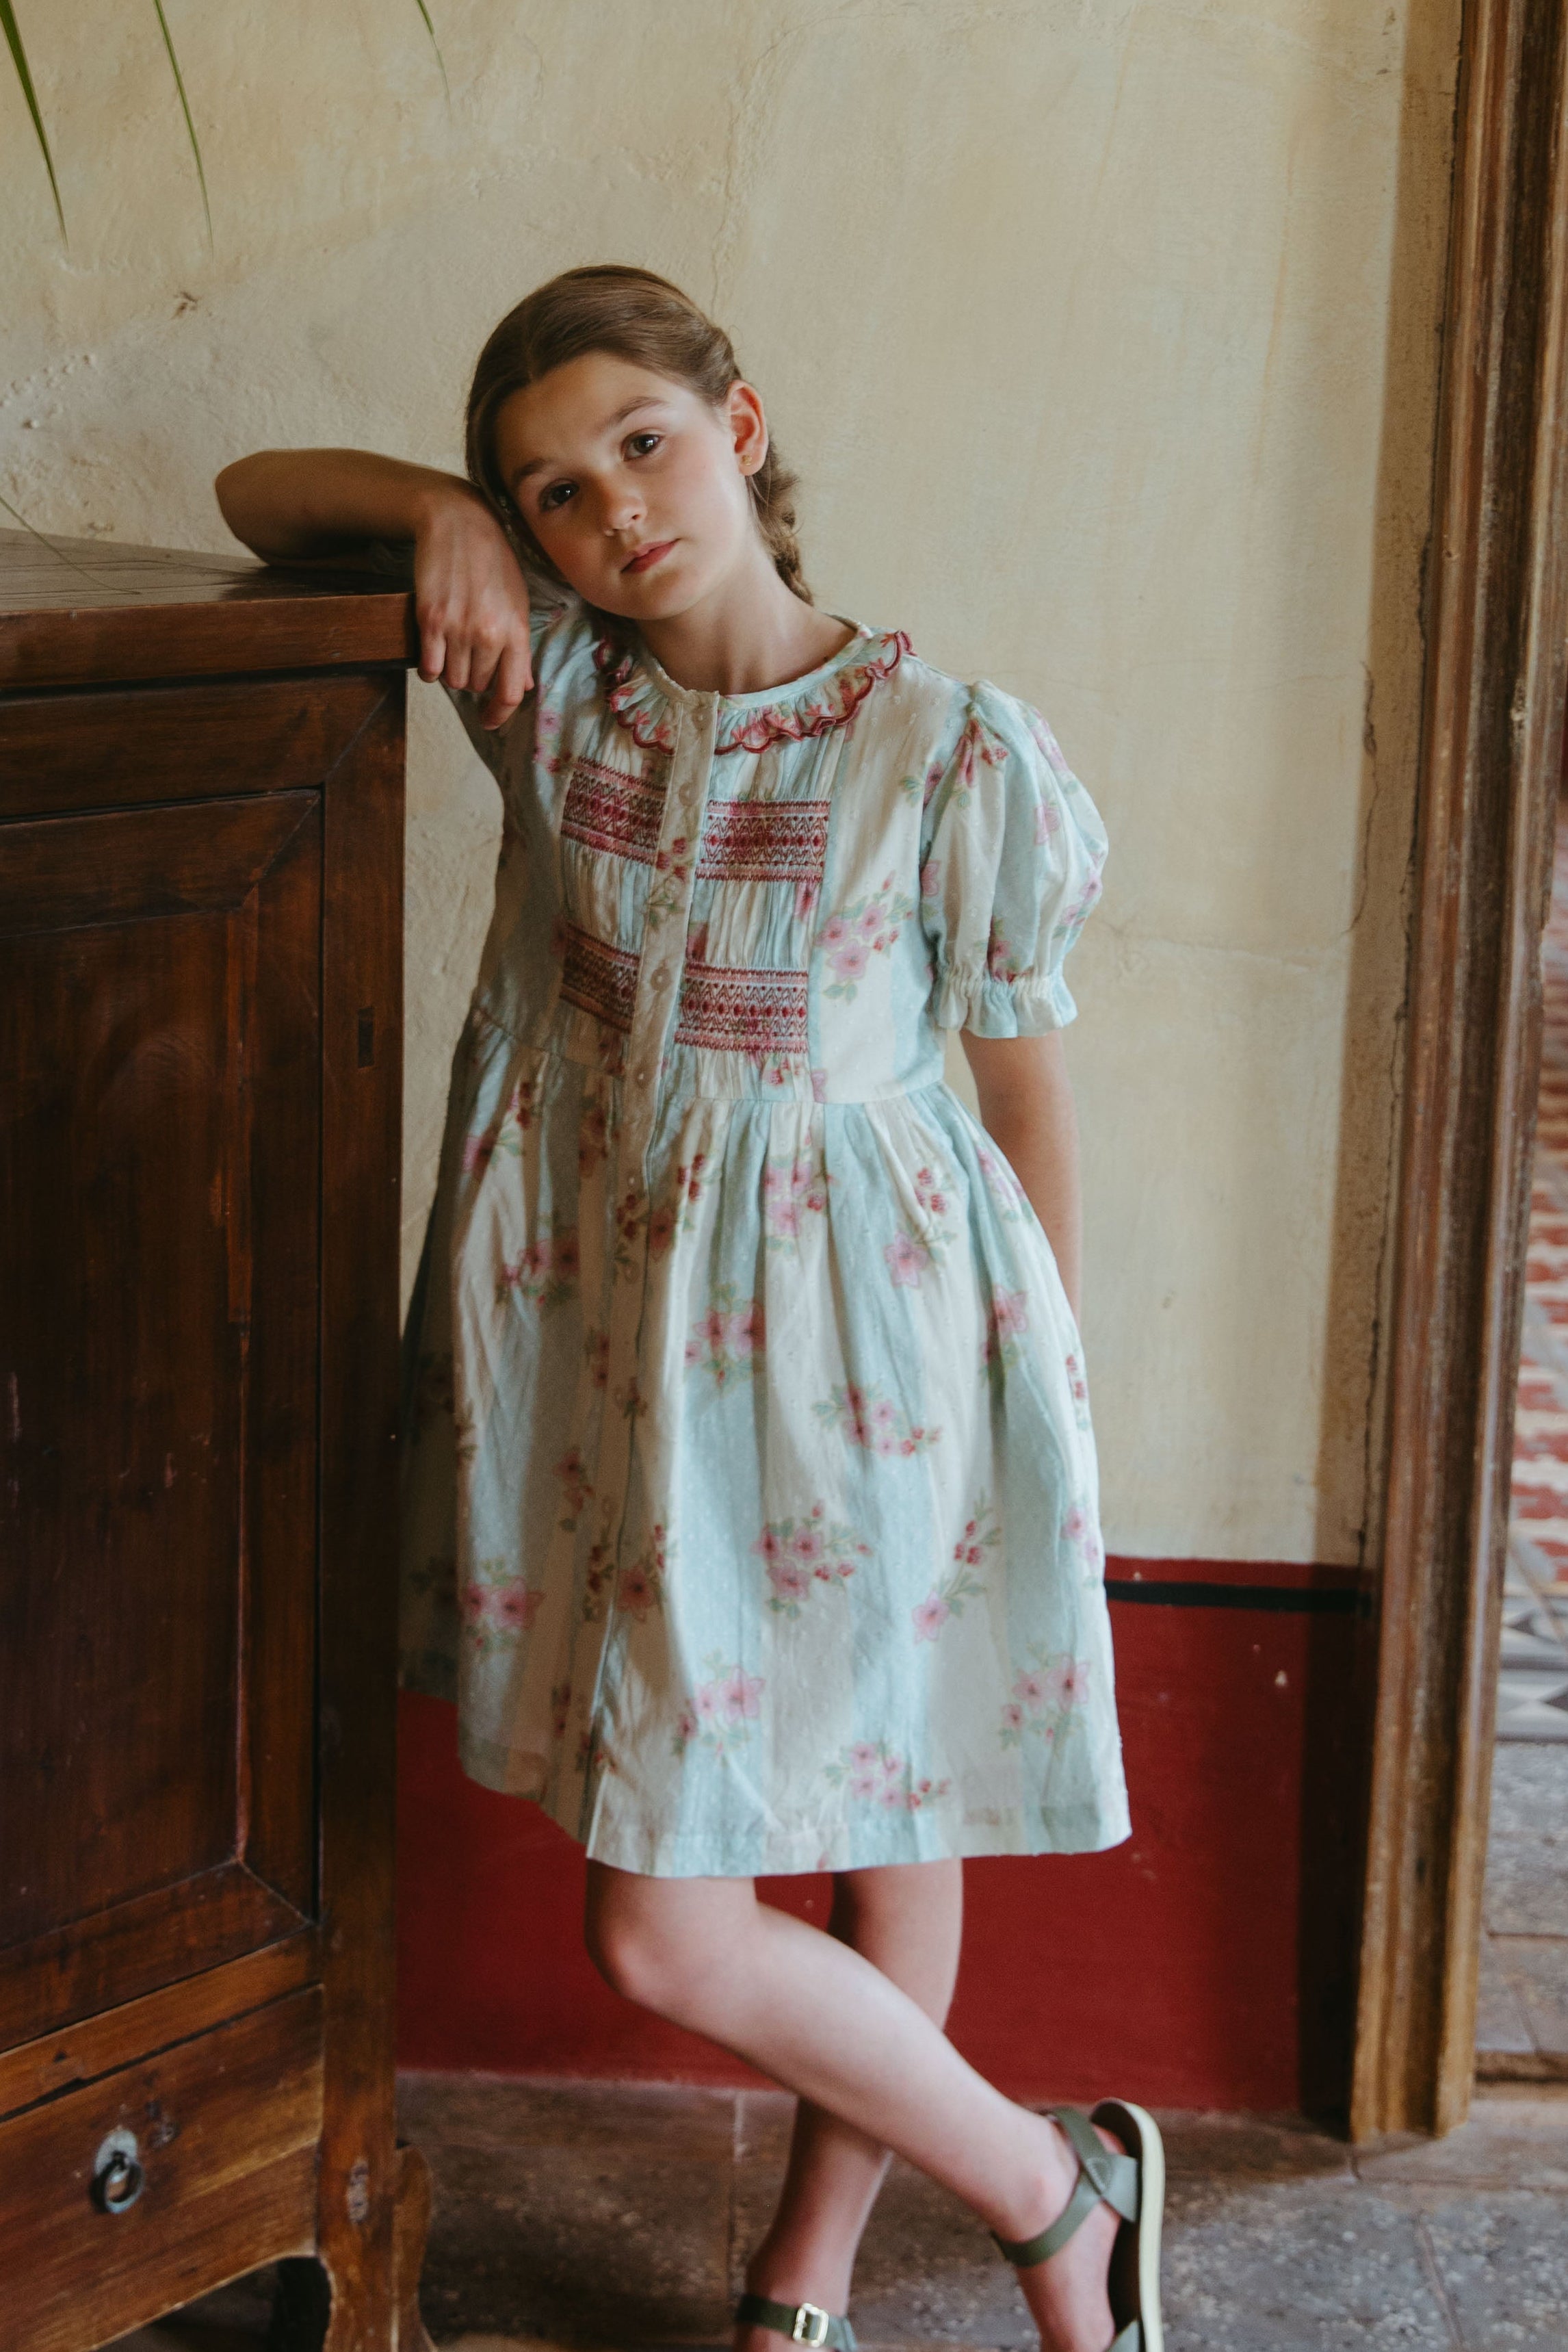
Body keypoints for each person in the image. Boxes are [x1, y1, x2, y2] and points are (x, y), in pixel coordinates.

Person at [215, 263, 1161, 2352]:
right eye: (552, 491)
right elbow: (254, 489)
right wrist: (439, 520)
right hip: (635, 1383)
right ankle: (1046, 2187)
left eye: (639, 445)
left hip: (883, 1371)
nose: (611, 510)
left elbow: (1019, 1094)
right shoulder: (554, 697)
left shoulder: (944, 748)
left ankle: (842, 2262)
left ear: (736, 428)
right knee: (703, 1900)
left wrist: (1039, 1424)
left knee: (859, 1835)